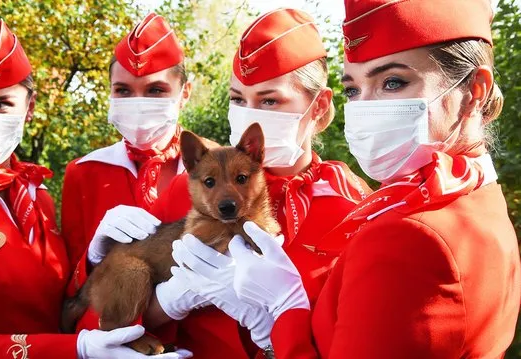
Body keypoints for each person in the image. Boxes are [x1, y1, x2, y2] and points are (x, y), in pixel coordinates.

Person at [177, 1, 521, 358]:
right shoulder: (472, 202)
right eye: (354, 90)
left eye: (392, 82)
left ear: (474, 90)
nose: (365, 108)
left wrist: (281, 313)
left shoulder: (406, 232)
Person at [0, 18, 190, 359]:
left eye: (0, 104)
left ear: (28, 109)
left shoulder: (36, 197)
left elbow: (60, 302)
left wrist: (91, 260)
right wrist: (80, 349)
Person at [145, 8, 371, 359]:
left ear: (319, 107)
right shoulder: (188, 190)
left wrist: (272, 326)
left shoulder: (355, 210)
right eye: (238, 99)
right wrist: (168, 302)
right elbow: (100, 317)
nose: (249, 114)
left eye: (269, 100)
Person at [61, 12, 192, 270]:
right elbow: (67, 286)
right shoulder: (83, 173)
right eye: (123, 90)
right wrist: (92, 257)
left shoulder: (220, 165)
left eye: (155, 90)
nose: (138, 103)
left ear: (184, 94)